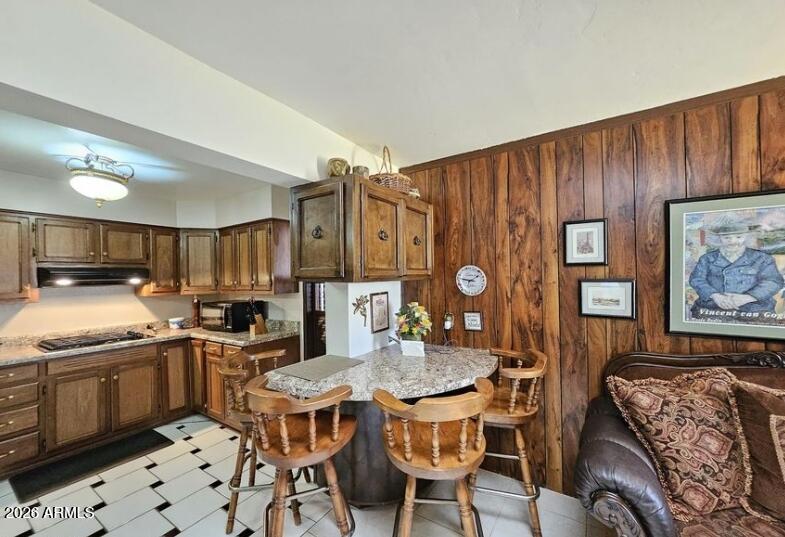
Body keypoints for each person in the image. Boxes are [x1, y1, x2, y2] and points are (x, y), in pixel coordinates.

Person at [689, 217, 784, 317]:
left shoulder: (762, 258)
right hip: (712, 308)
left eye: (738, 237)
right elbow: (697, 279)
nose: (733, 241)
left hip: (754, 310)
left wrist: (747, 297)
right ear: (719, 238)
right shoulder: (707, 259)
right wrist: (715, 296)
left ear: (746, 237)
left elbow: (774, 281)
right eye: (727, 238)